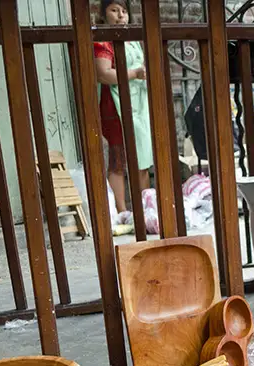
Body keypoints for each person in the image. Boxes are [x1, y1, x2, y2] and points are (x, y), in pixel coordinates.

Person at [93, 0, 153, 221]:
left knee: (142, 157)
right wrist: (135, 74)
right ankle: (122, 211)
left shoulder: (132, 40)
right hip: (115, 106)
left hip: (138, 105)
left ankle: (145, 209)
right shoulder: (103, 40)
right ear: (103, 14)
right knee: (119, 158)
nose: (120, 15)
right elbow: (103, 74)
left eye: (124, 11)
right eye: (114, 10)